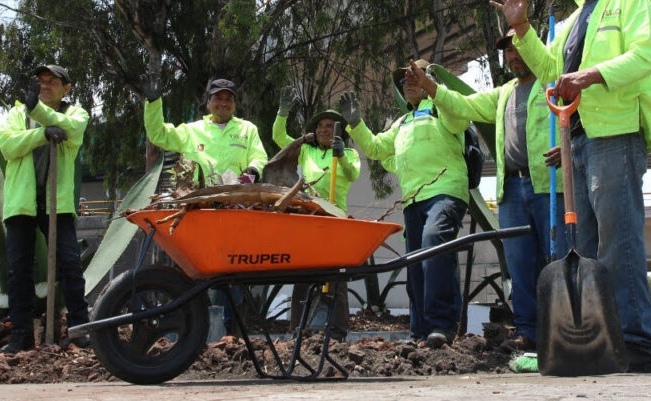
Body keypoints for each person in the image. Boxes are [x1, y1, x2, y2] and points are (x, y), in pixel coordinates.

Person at [492, 0, 651, 372]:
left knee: (618, 241)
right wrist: (522, 28)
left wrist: (588, 76)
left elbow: (644, 57)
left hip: (616, 133)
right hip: (579, 139)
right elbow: (550, 70)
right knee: (585, 246)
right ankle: (596, 343)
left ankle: (637, 343)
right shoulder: (571, 22)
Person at [407, 34, 568, 351]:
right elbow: (464, 105)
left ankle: (563, 331)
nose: (512, 55)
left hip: (549, 185)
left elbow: (580, 117)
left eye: (517, 47)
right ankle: (530, 334)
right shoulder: (504, 94)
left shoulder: (554, 83)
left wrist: (569, 144)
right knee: (520, 264)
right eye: (507, 51)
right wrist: (430, 88)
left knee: (557, 259)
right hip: (511, 188)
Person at [339, 60, 470, 348]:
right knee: (417, 262)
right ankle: (421, 332)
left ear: (427, 80)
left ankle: (443, 325)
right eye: (403, 81)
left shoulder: (442, 107)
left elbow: (461, 119)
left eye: (414, 77)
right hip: (413, 199)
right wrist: (355, 124)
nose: (407, 83)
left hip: (445, 191)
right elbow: (375, 148)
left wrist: (434, 91)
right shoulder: (402, 123)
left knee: (434, 242)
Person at [0, 63, 91, 353]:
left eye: (53, 81)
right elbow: (8, 147)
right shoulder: (16, 113)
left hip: (57, 204)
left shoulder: (76, 114)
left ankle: (78, 331)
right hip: (22, 204)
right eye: (41, 80)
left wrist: (38, 112)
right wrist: (42, 133)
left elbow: (72, 130)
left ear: (67, 88)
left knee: (70, 266)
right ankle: (21, 336)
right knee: (19, 270)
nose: (45, 85)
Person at [274, 91, 362, 340]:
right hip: (310, 216)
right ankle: (299, 328)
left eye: (331, 126)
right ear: (315, 129)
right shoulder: (306, 151)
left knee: (337, 275)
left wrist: (341, 154)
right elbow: (279, 137)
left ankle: (336, 330)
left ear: (339, 131)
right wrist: (283, 113)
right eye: (322, 126)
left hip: (336, 219)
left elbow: (352, 174)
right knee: (304, 272)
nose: (326, 130)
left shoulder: (350, 155)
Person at [143, 77, 268, 184]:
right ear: (208, 103)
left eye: (228, 99)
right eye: (218, 98)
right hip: (198, 205)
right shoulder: (191, 131)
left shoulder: (248, 129)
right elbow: (158, 135)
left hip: (237, 203)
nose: (223, 103)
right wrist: (153, 103)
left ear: (234, 104)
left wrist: (252, 172)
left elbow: (259, 158)